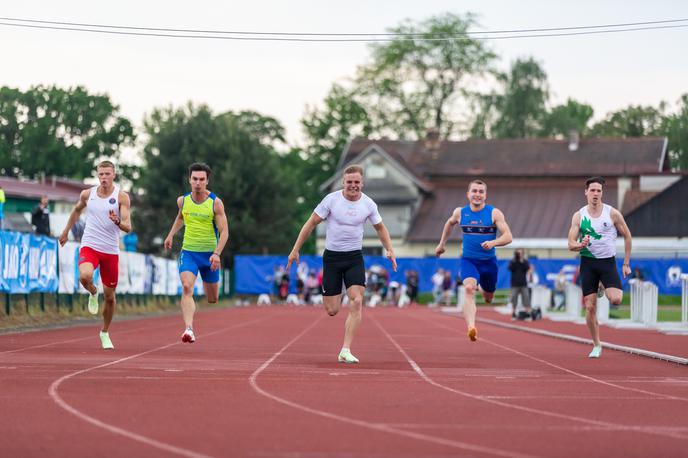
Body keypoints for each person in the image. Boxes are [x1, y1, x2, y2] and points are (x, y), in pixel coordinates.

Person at [286, 164, 396, 364]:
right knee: (332, 310)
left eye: (356, 182)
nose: (353, 186)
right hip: (332, 259)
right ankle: (335, 292)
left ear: (362, 183)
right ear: (343, 183)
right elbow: (310, 223)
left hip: (354, 258)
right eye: (349, 182)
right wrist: (295, 249)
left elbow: (381, 228)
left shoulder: (369, 204)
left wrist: (389, 249)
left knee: (357, 301)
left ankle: (345, 349)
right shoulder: (331, 200)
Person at [59, 161, 132, 350]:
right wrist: (66, 231)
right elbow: (76, 211)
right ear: (97, 175)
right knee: (84, 276)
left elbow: (128, 226)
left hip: (110, 252)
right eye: (101, 174)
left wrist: (117, 222)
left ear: (114, 175)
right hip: (90, 245)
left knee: (110, 297)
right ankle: (92, 291)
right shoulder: (87, 194)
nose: (104, 177)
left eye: (108, 174)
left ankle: (105, 332)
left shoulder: (121, 197)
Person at [435, 179, 513, 341]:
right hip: (468, 261)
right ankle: (471, 326)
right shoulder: (460, 212)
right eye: (474, 191)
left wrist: (493, 242)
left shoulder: (494, 213)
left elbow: (508, 236)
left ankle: (485, 291)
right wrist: (442, 244)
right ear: (468, 194)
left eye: (481, 192)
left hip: (489, 263)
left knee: (488, 297)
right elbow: (449, 224)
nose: (477, 195)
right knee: (469, 289)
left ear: (485, 195)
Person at [567, 176, 632, 358]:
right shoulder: (579, 215)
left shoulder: (612, 213)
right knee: (589, 307)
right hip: (587, 263)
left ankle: (603, 285)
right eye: (592, 190)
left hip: (607, 263)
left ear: (602, 193)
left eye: (599, 191)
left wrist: (626, 263)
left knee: (616, 299)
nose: (596, 194)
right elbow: (570, 244)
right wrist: (581, 244)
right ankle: (596, 344)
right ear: (586, 192)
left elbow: (627, 236)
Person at [164, 163, 229, 344]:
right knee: (186, 287)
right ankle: (189, 329)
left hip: (209, 256)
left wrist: (216, 254)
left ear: (207, 181)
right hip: (189, 252)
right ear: (189, 180)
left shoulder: (215, 203)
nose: (198, 183)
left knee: (213, 299)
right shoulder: (182, 201)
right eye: (195, 179)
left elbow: (224, 232)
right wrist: (170, 235)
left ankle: (196, 304)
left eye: (201, 179)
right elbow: (181, 217)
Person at [508, 249, 532, 320]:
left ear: (523, 254)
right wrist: (515, 260)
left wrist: (522, 261)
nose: (519, 254)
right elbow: (510, 268)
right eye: (518, 253)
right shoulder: (513, 261)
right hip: (514, 284)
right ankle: (514, 313)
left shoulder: (525, 261)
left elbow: (527, 268)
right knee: (514, 298)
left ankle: (527, 313)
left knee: (526, 298)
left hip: (523, 283)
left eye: (521, 253)